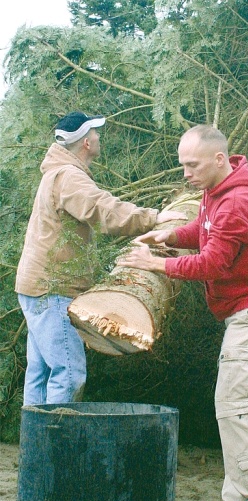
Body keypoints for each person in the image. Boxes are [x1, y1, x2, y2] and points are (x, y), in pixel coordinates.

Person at [117, 124, 248, 501]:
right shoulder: (216, 193)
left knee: (236, 404)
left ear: (218, 159)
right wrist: (171, 235)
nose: (185, 173)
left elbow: (213, 263)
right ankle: (240, 498)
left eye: (191, 165)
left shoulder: (238, 204)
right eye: (182, 165)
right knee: (239, 404)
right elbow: (204, 232)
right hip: (246, 311)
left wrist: (156, 263)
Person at [15, 111, 186, 407]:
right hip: (53, 291)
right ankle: (57, 448)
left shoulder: (58, 173)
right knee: (68, 373)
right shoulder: (68, 177)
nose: (98, 138)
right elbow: (104, 211)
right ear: (84, 142)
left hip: (37, 287)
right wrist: (154, 217)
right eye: (94, 133)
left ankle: (37, 450)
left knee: (40, 373)